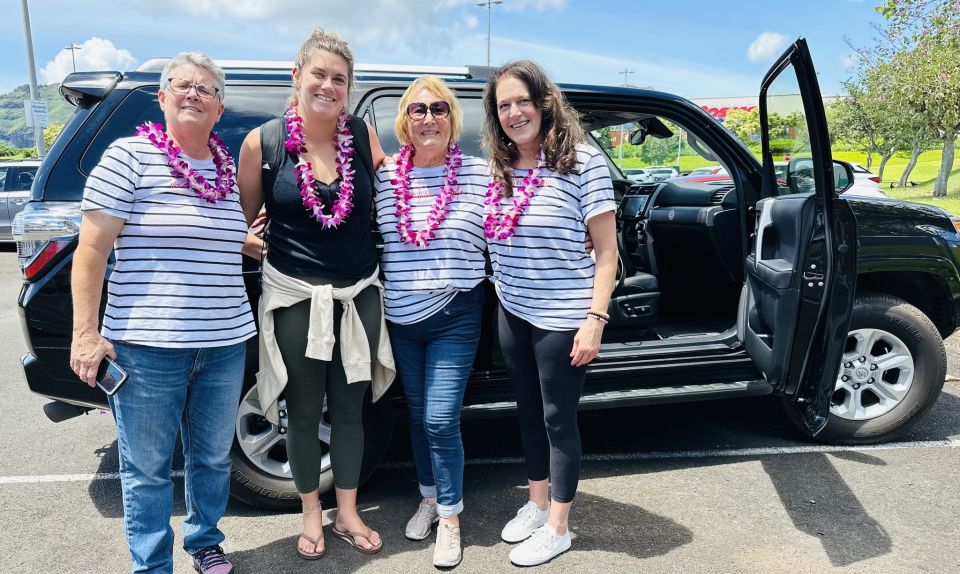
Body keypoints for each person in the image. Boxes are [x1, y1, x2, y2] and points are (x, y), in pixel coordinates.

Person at [70, 52, 257, 574]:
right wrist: (85, 335)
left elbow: (206, 231)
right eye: (184, 85)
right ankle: (152, 566)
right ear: (163, 97)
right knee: (147, 470)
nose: (195, 94)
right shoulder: (128, 157)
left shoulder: (224, 170)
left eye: (207, 89)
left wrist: (252, 242)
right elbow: (91, 251)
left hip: (224, 343)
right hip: (147, 347)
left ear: (220, 109)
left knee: (213, 459)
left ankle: (204, 543)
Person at [237, 28, 395, 560]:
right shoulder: (264, 142)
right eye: (319, 74)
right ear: (297, 76)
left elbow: (398, 199)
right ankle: (311, 515)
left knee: (350, 410)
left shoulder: (361, 134)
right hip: (295, 299)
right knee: (302, 413)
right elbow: (244, 223)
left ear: (349, 88)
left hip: (359, 296)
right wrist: (252, 243)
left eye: (339, 79)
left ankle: (347, 511)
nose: (328, 86)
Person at [481, 60, 618, 566]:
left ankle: (560, 526)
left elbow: (607, 253)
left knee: (559, 419)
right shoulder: (498, 167)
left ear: (544, 102)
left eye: (522, 101)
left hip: (563, 316)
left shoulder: (582, 162)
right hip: (512, 309)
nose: (514, 113)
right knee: (528, 414)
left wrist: (595, 320)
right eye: (503, 105)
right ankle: (537, 504)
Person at [373, 77, 488, 568]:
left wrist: (585, 239)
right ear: (405, 121)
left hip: (455, 313)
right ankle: (428, 497)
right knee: (418, 417)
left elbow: (522, 215)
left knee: (441, 418)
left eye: (439, 108)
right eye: (417, 110)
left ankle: (450, 517)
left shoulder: (480, 175)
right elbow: (336, 205)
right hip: (399, 316)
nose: (428, 118)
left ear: (452, 118)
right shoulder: (383, 178)